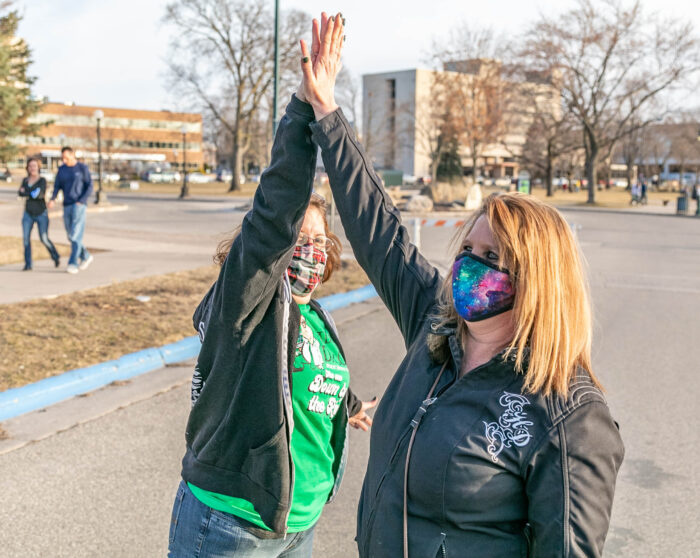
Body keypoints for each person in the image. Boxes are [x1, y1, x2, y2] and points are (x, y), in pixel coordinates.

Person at [298, 14, 625, 557]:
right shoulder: (436, 323)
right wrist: (328, 115)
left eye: (492, 257)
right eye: (467, 251)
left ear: (538, 282)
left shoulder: (569, 414)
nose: (469, 267)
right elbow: (380, 233)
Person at [167, 14, 376, 557]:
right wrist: (306, 107)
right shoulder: (246, 303)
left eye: (318, 239)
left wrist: (351, 404)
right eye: (295, 240)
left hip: (298, 527)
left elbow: (304, 380)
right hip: (231, 525)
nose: (309, 249)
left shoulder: (315, 316)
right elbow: (273, 211)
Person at [47, 146, 93, 274]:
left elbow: (90, 186)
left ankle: (73, 263)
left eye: (66, 157)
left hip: (78, 205)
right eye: (62, 158)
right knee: (70, 235)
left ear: (73, 155)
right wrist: (52, 199)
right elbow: (57, 186)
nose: (64, 160)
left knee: (75, 234)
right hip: (66, 205)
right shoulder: (62, 169)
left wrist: (81, 200)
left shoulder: (82, 168)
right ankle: (86, 255)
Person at [18, 157, 60, 271]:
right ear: (27, 168)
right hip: (28, 213)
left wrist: (26, 192)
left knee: (44, 238)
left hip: (41, 213)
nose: (32, 168)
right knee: (26, 239)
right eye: (30, 166)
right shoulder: (25, 180)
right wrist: (29, 193)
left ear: (38, 167)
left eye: (34, 166)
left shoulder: (42, 180)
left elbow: (38, 194)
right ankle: (28, 264)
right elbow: (20, 193)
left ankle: (55, 256)